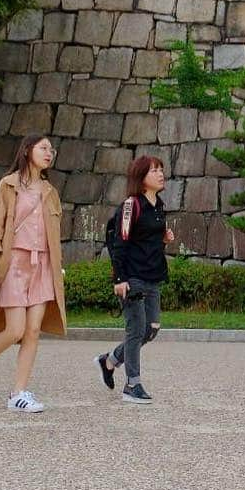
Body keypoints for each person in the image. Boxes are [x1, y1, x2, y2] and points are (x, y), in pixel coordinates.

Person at [0, 135, 67, 411]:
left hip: (41, 266)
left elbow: (53, 233)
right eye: (43, 148)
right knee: (15, 329)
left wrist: (56, 267)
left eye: (51, 149)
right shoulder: (8, 185)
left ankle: (18, 393)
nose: (48, 153)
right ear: (27, 150)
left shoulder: (50, 191)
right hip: (14, 263)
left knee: (33, 331)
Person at [96, 155, 175, 404]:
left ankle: (109, 361)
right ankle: (132, 384)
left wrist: (164, 239)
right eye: (154, 171)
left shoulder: (158, 205)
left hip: (153, 276)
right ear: (141, 177)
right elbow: (119, 242)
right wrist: (120, 278)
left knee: (151, 329)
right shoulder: (131, 205)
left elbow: (146, 238)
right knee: (135, 329)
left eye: (161, 170)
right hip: (132, 277)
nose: (160, 174)